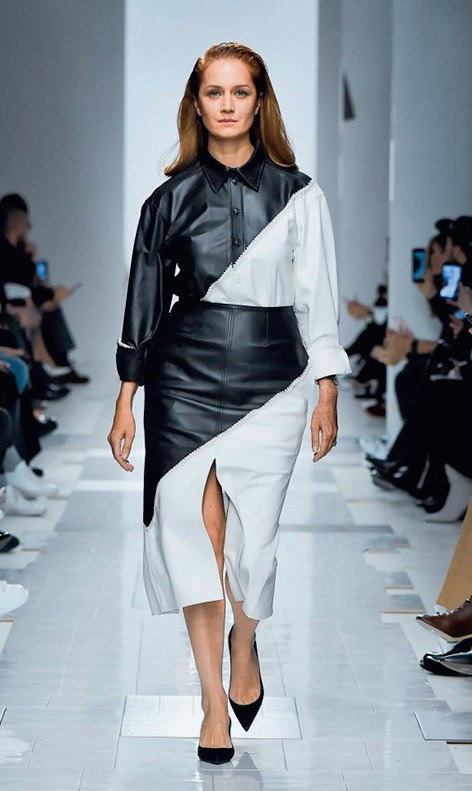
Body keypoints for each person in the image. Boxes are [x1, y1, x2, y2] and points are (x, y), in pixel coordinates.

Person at [108, 42, 349, 764]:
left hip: (273, 379)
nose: (227, 104)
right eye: (214, 92)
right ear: (197, 102)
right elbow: (144, 301)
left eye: (240, 92)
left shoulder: (300, 195)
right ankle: (213, 702)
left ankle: (247, 642)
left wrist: (327, 387)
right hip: (183, 377)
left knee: (255, 544)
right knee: (195, 537)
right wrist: (126, 397)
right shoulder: (168, 200)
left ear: (259, 101)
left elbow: (318, 299)